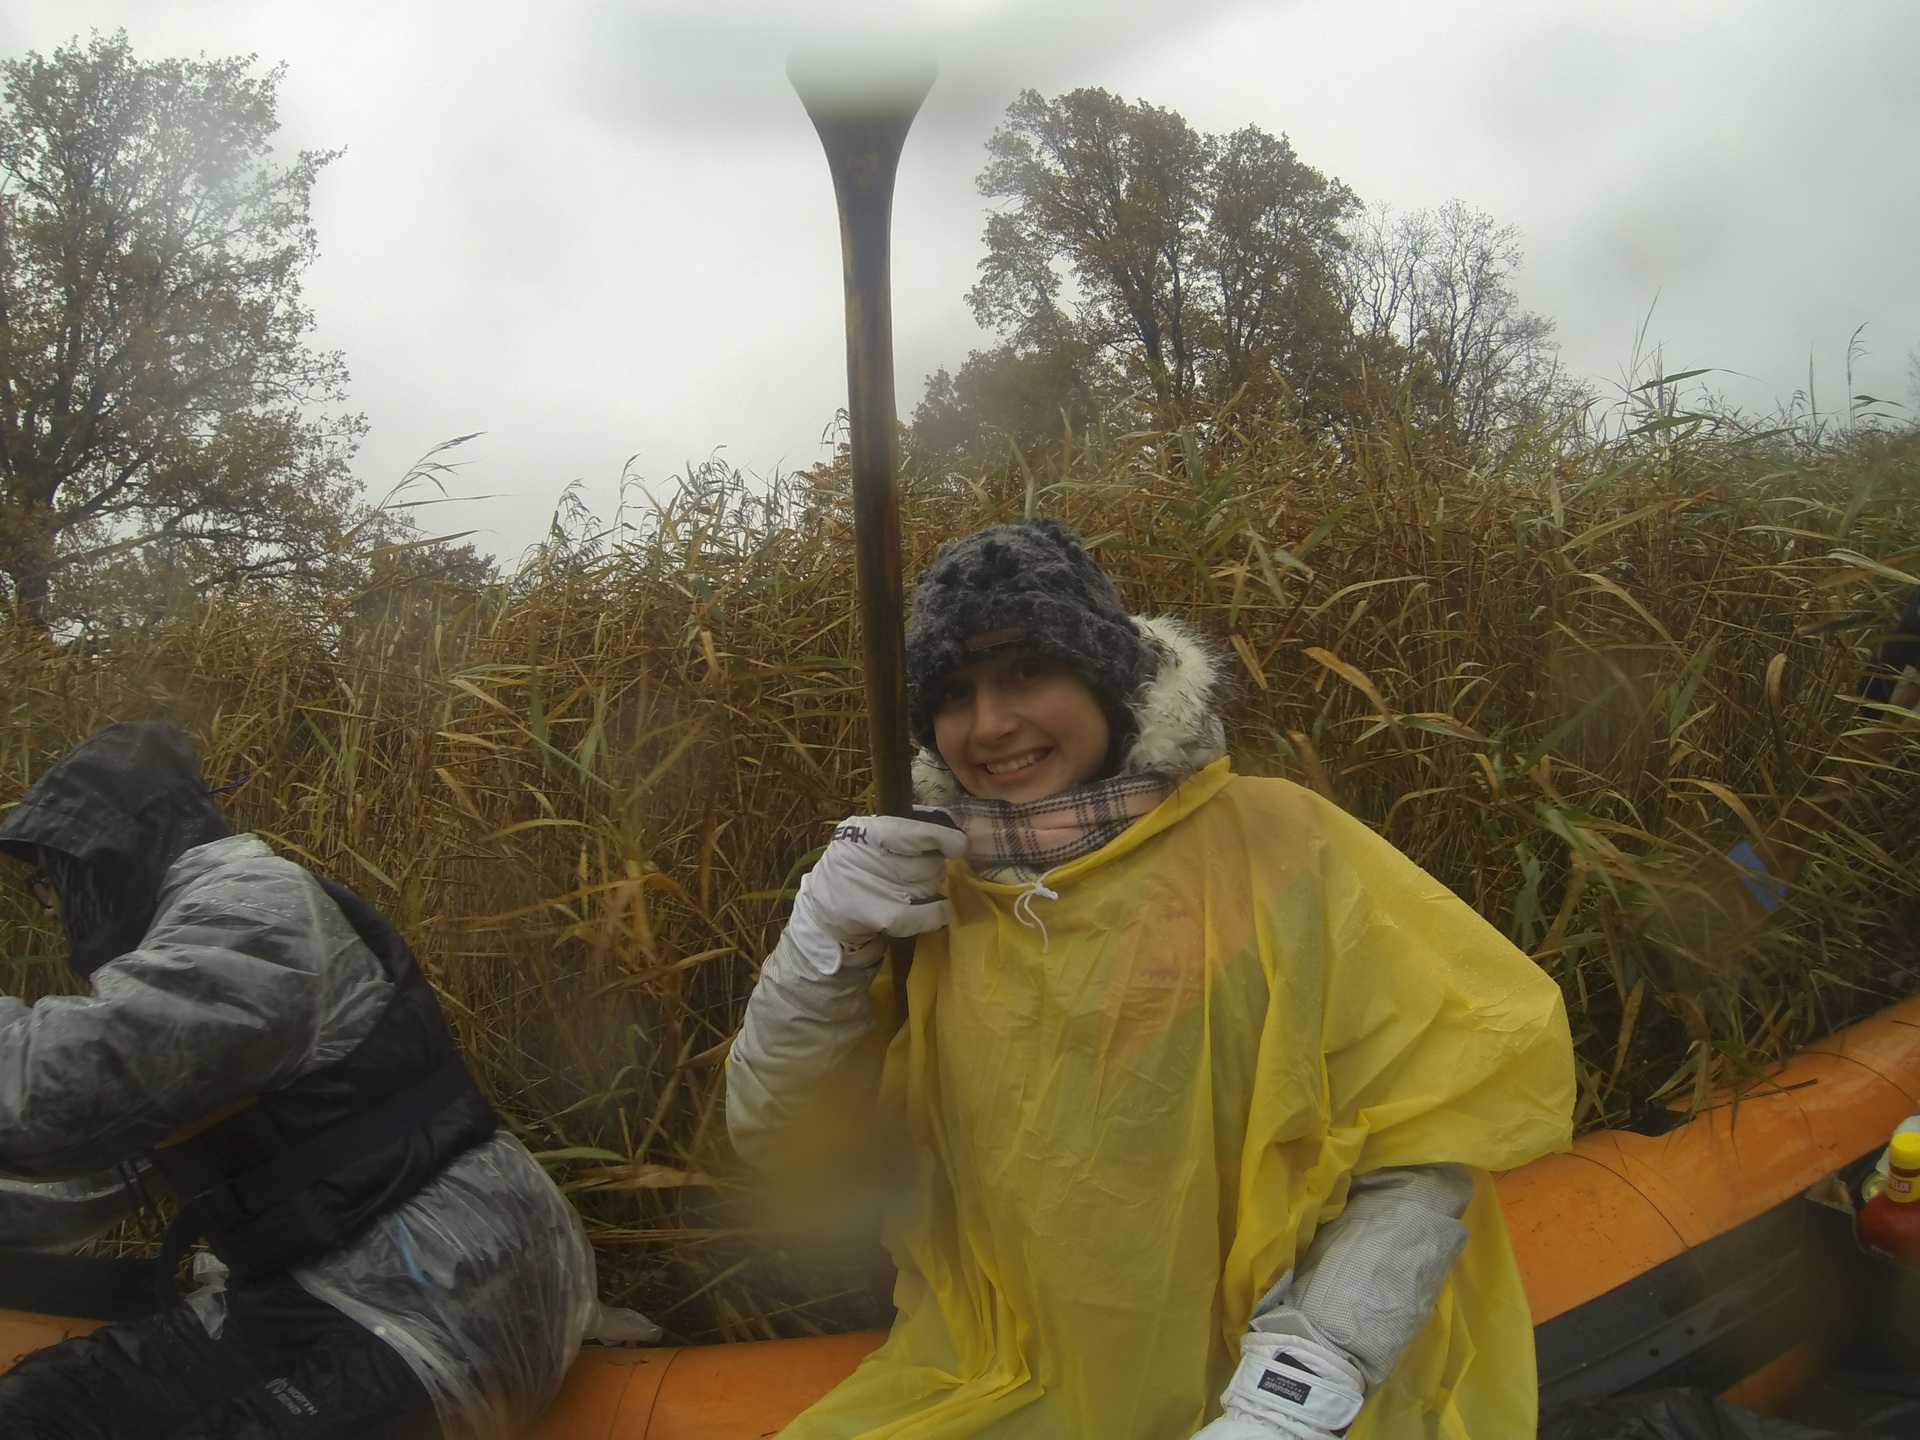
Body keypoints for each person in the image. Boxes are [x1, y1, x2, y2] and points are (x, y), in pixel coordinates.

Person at [728, 518, 1576, 1440]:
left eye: (1027, 671)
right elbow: (784, 1139)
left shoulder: (1278, 846)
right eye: (955, 693)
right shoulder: (923, 901)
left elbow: (1425, 1143)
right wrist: (821, 947)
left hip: (1272, 1382)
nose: (991, 724)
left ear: (1104, 677)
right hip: (998, 1374)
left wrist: (1295, 1395)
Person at [0, 722, 597, 1440]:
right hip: (306, 1299)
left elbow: (42, 1101)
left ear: (108, 855)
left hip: (437, 1305)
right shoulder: (177, 956)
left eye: (50, 879)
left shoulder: (252, 914)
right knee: (33, 1411)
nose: (48, 908)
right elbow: (78, 1187)